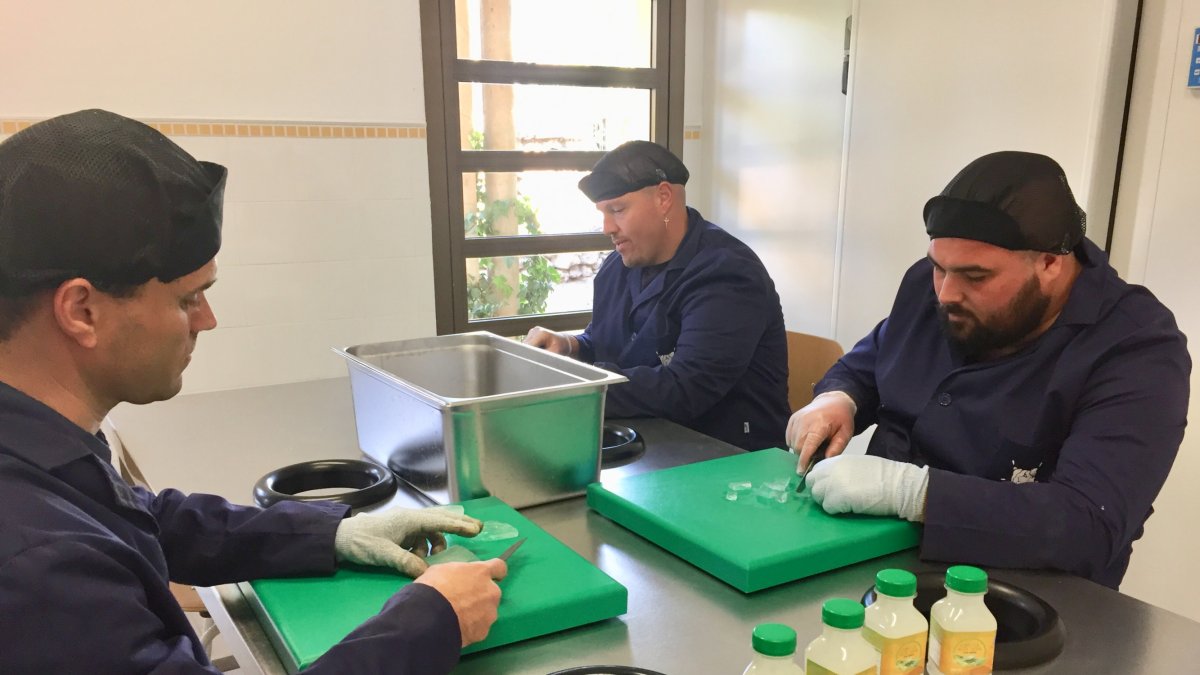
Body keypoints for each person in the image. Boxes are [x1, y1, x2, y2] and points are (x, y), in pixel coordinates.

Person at [0, 109, 505, 673]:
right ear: (82, 311)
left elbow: (146, 518)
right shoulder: (35, 569)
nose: (208, 320)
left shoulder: (40, 444)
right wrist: (432, 622)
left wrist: (336, 532)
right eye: (188, 299)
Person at [787, 151, 1190, 589]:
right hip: (870, 562)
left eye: (975, 277)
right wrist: (839, 397)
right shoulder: (933, 284)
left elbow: (1088, 524)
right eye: (938, 268)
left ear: (1051, 263)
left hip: (1021, 598)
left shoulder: (1137, 347)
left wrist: (911, 493)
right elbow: (878, 356)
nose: (945, 294)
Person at [525, 141, 790, 451]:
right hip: (651, 447)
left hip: (731, 462)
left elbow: (686, 389)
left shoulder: (727, 274)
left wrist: (578, 387)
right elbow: (605, 343)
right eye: (603, 213)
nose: (607, 227)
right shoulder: (619, 266)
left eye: (618, 210)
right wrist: (569, 347)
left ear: (664, 198)